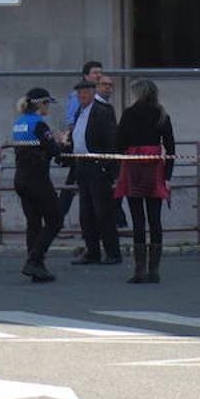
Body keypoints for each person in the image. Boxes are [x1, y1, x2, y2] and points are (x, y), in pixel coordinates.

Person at [114, 78, 176, 283]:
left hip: (133, 165)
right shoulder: (161, 114)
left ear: (137, 93)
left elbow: (119, 141)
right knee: (154, 218)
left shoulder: (129, 113)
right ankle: (154, 270)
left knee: (137, 218)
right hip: (154, 165)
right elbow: (171, 148)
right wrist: (167, 176)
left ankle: (139, 270)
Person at [11, 88, 67, 282]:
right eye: (47, 104)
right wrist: (62, 142)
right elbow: (53, 151)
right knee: (55, 220)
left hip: (21, 178)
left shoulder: (18, 123)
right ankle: (34, 260)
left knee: (33, 223)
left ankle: (37, 267)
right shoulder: (39, 125)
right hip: (37, 178)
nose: (48, 108)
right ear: (41, 104)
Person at [68, 78, 121, 265]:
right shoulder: (79, 112)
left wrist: (113, 171)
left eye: (86, 92)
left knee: (103, 211)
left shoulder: (102, 111)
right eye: (79, 93)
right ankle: (92, 250)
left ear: (93, 92)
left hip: (98, 164)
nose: (82, 95)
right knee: (86, 212)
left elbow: (111, 140)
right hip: (82, 164)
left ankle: (112, 251)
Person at [58, 61, 103, 222]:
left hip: (92, 149)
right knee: (75, 183)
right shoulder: (78, 97)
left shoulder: (100, 97)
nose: (98, 75)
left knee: (75, 184)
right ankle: (58, 217)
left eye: (100, 72)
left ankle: (59, 217)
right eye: (95, 72)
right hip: (82, 148)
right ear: (86, 76)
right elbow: (71, 119)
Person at [97, 75, 130, 230]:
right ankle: (117, 224)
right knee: (112, 194)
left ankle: (119, 223)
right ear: (97, 86)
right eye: (104, 84)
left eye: (110, 85)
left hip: (112, 156)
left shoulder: (106, 107)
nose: (108, 88)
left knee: (115, 193)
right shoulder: (98, 107)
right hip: (106, 158)